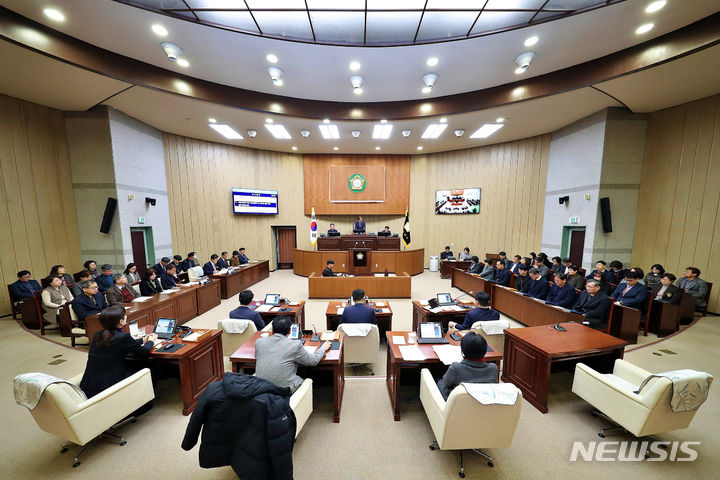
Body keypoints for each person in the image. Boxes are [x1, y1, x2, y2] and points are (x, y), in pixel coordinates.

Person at [79, 306, 156, 402]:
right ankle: (143, 402)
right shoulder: (123, 337)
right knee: (150, 367)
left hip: (89, 384)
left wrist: (142, 340)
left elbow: (117, 343)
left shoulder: (98, 335)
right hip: (108, 385)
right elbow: (144, 352)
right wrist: (151, 341)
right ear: (121, 321)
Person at [254, 316, 331, 393]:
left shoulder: (259, 342)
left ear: (272, 330)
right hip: (283, 389)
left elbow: (257, 356)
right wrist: (323, 348)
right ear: (290, 331)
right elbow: (313, 361)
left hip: (261, 386)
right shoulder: (295, 345)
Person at [436, 332, 497, 400]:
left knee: (439, 381)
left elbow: (446, 383)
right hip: (482, 404)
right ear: (485, 350)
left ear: (463, 350)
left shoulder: (456, 367)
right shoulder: (493, 368)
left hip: (458, 405)